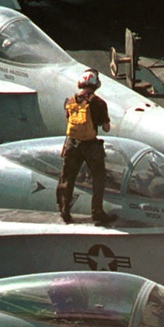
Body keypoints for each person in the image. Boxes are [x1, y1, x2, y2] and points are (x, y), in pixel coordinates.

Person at [57, 68, 112, 226]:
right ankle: (97, 214)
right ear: (96, 84)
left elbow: (69, 122)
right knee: (98, 178)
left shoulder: (70, 101)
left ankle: (64, 211)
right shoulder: (99, 103)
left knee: (67, 177)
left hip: (72, 144)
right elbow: (106, 128)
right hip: (91, 146)